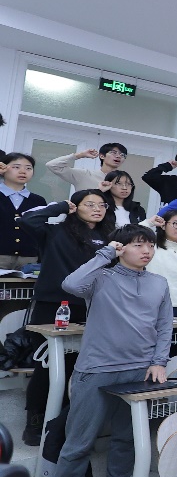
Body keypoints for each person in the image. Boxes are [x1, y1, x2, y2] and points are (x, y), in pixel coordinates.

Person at [54, 225, 171, 477]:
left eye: (151, 245)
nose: (147, 251)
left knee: (126, 436)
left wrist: (159, 362)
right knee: (80, 439)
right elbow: (70, 284)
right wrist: (105, 254)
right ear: (120, 248)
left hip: (140, 369)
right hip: (97, 367)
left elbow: (164, 325)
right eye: (138, 245)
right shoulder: (100, 277)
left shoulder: (159, 282)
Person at [19, 190, 115, 445]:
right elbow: (27, 220)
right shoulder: (56, 231)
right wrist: (61, 206)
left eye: (101, 205)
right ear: (76, 207)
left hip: (91, 307)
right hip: (53, 305)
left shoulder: (109, 237)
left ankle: (60, 423)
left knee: (76, 368)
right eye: (89, 204)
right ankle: (35, 421)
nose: (97, 209)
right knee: (47, 366)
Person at [0, 152, 48, 270]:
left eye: (28, 168)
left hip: (29, 259)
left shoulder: (38, 200)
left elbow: (41, 231)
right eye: (16, 167)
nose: (23, 171)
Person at [45, 142, 128, 191]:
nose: (118, 156)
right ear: (102, 156)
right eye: (113, 153)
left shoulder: (123, 181)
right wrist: (80, 155)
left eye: (122, 155)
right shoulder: (85, 175)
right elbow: (52, 165)